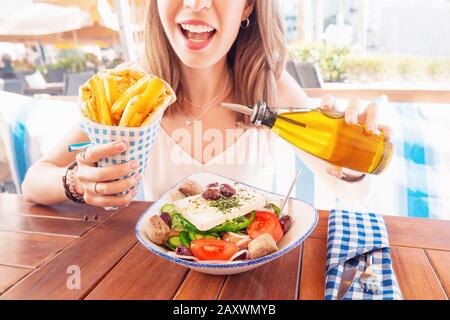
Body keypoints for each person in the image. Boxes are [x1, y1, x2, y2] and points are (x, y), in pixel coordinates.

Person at [22, 0, 391, 209]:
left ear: (247, 6)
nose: (197, 4)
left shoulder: (269, 86)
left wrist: (353, 162)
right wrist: (75, 182)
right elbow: (34, 181)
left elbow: (351, 191)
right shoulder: (128, 88)